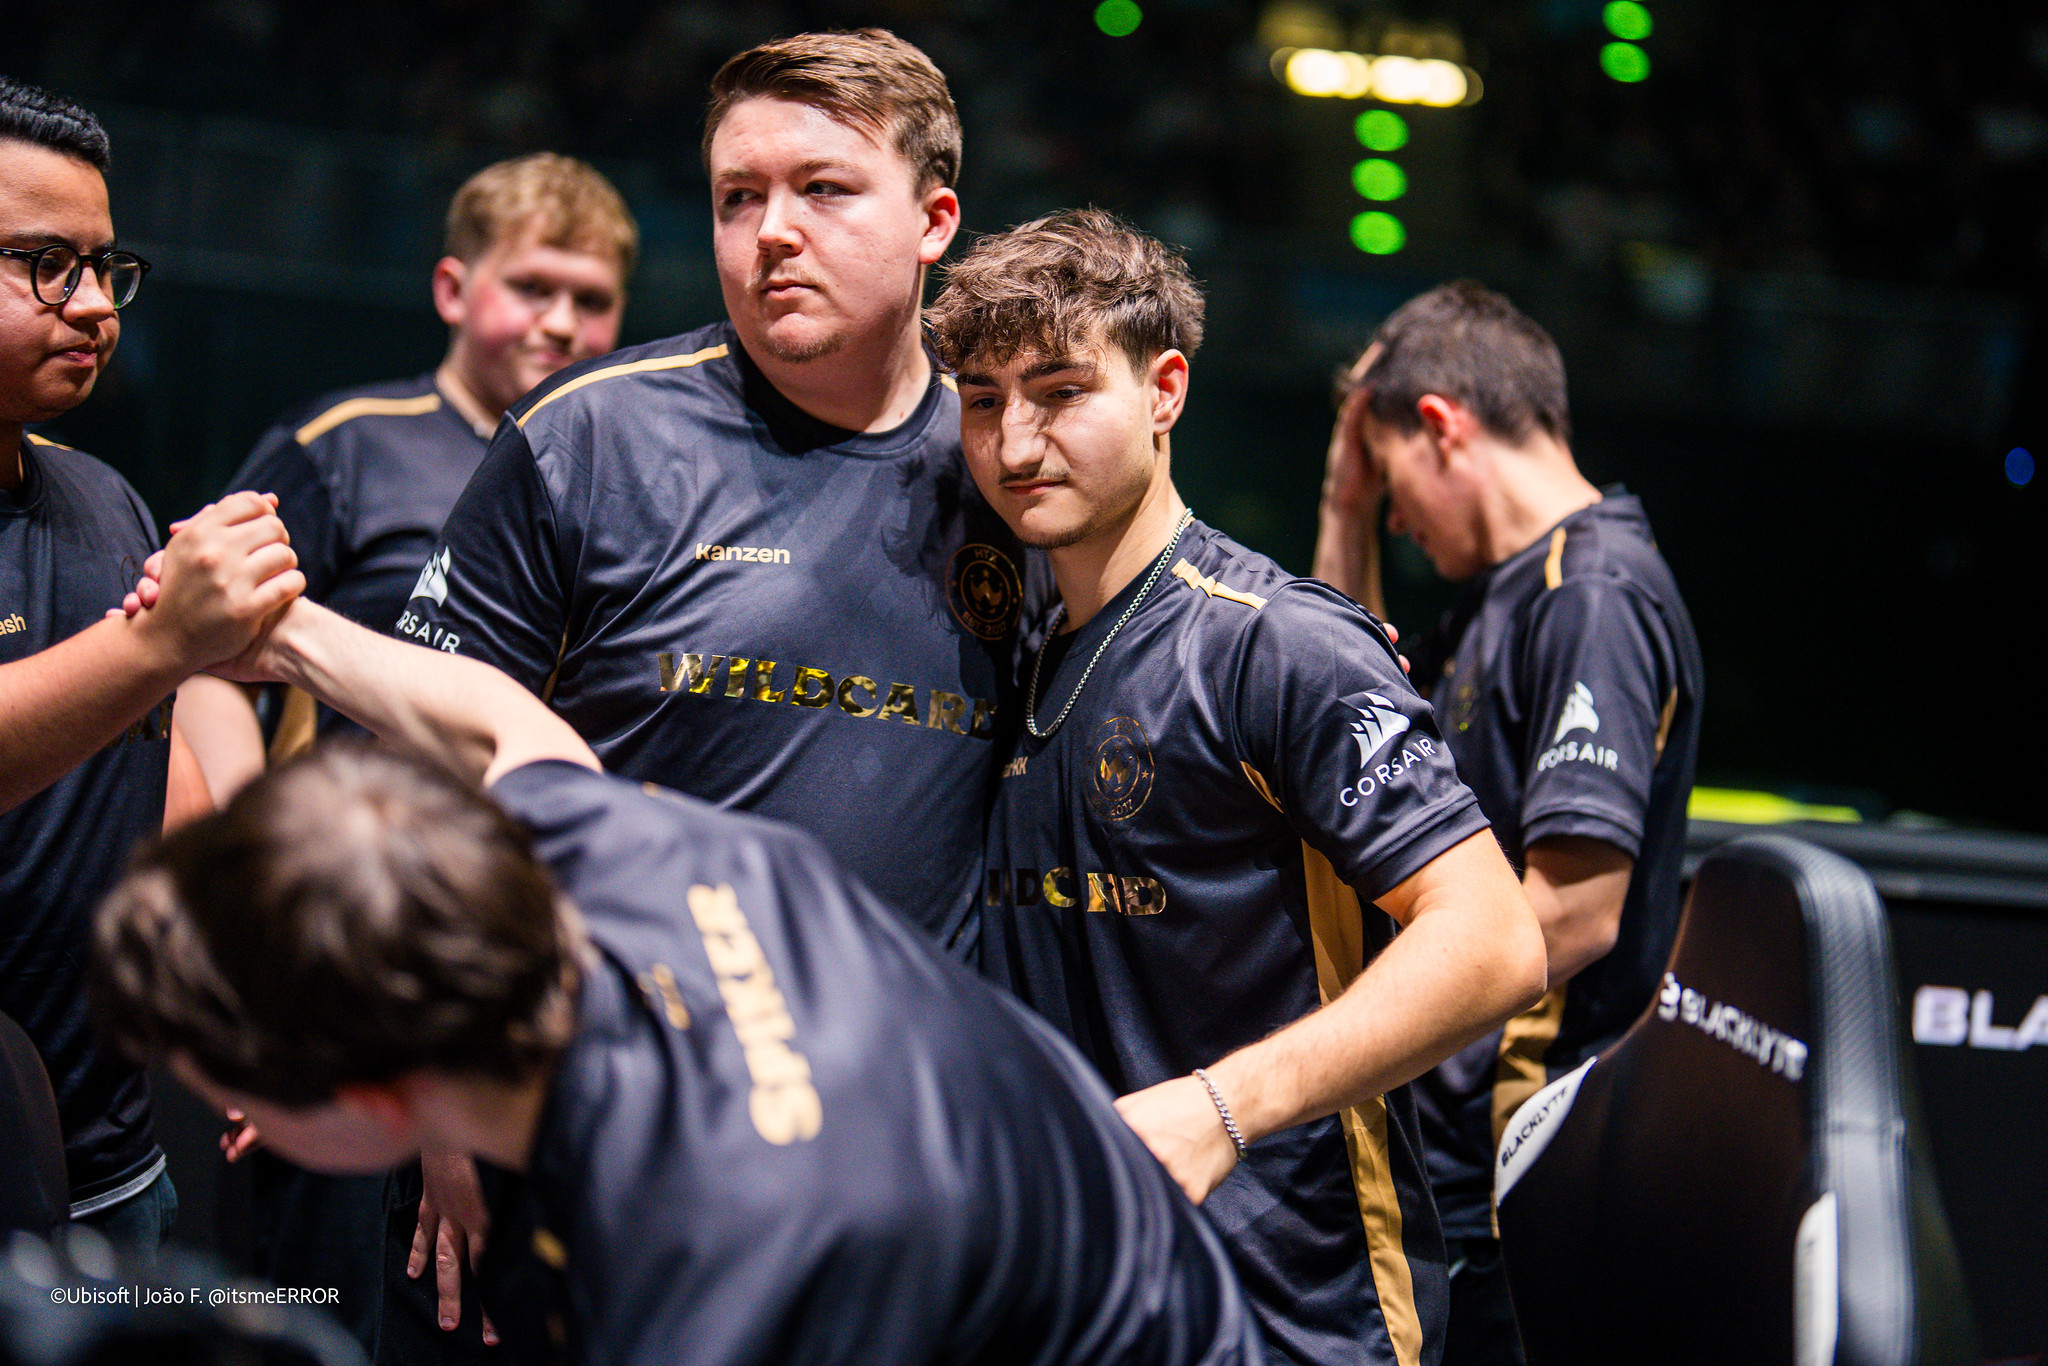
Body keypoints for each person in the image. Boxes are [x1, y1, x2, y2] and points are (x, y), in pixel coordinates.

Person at [90, 592, 1264, 1366]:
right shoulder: (590, 852)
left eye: (229, 1090)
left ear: (374, 1105)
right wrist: (281, 632)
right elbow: (502, 723)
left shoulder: (716, 1271)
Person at [928, 209, 1549, 1366]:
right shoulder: (1008, 655)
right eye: (980, 399)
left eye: (1059, 392)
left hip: (1296, 1315)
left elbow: (1494, 941)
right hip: (1083, 1300)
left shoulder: (1277, 644)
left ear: (1163, 391)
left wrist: (1222, 1106)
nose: (1013, 442)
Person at [395, 29, 1029, 960]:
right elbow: (415, 767)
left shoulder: (1013, 463)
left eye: (824, 188)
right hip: (622, 1032)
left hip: (916, 1046)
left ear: (934, 223)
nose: (771, 230)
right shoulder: (587, 435)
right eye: (740, 197)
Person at [178, 151, 634, 1361]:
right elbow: (206, 664)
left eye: (591, 299)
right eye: (531, 286)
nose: (561, 321)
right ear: (450, 288)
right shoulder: (342, 444)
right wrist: (253, 924)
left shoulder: (625, 462)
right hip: (352, 941)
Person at [1311, 282, 1703, 1365]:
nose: (1395, 518)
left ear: (1442, 427)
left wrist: (1354, 1041)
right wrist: (1344, 508)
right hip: (1453, 1151)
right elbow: (1340, 722)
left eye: (1389, 481)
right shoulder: (1505, 594)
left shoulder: (1594, 596)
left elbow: (1573, 913)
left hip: (1514, 1169)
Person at [0, 77, 302, 1259]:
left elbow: (145, 776)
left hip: (115, 1164)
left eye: (104, 266)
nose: (93, 306)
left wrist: (236, 996)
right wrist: (168, 637)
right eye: (45, 265)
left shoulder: (102, 495)